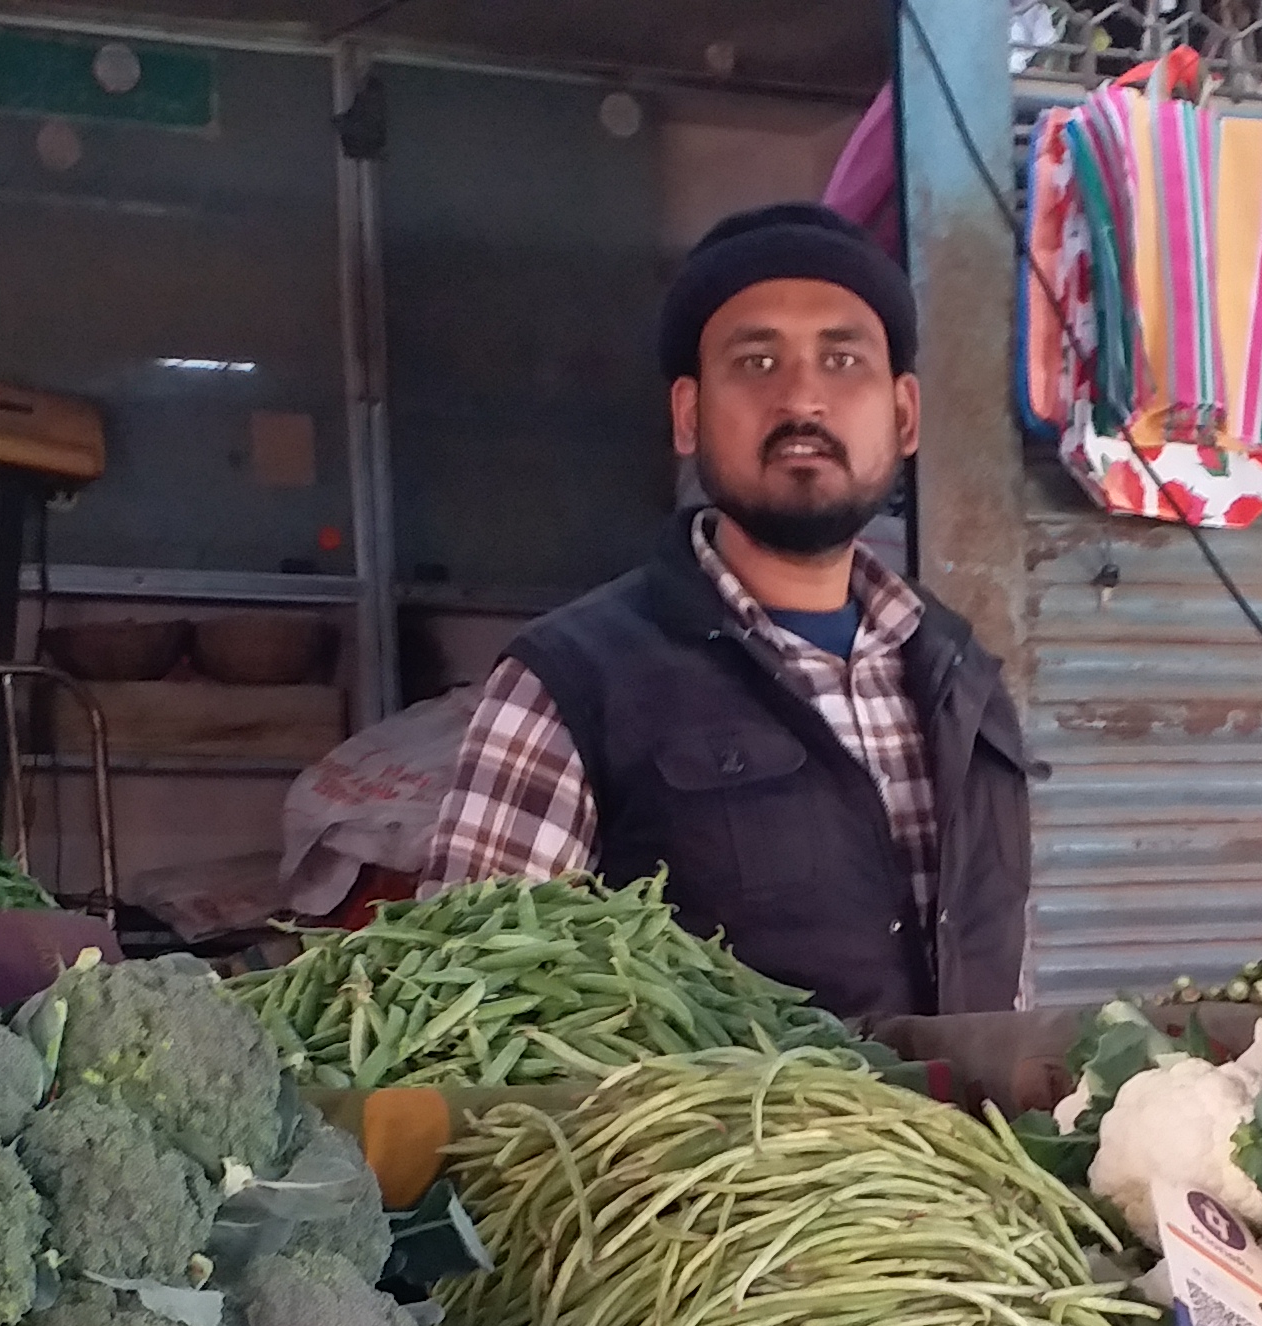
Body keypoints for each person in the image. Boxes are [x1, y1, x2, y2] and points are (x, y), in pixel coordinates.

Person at [420, 202, 1033, 1022]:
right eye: (756, 362)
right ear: (687, 414)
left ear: (904, 414)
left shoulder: (965, 677)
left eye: (843, 359)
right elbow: (466, 1025)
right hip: (709, 1154)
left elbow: (999, 971)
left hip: (958, 1150)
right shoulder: (572, 686)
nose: (803, 400)